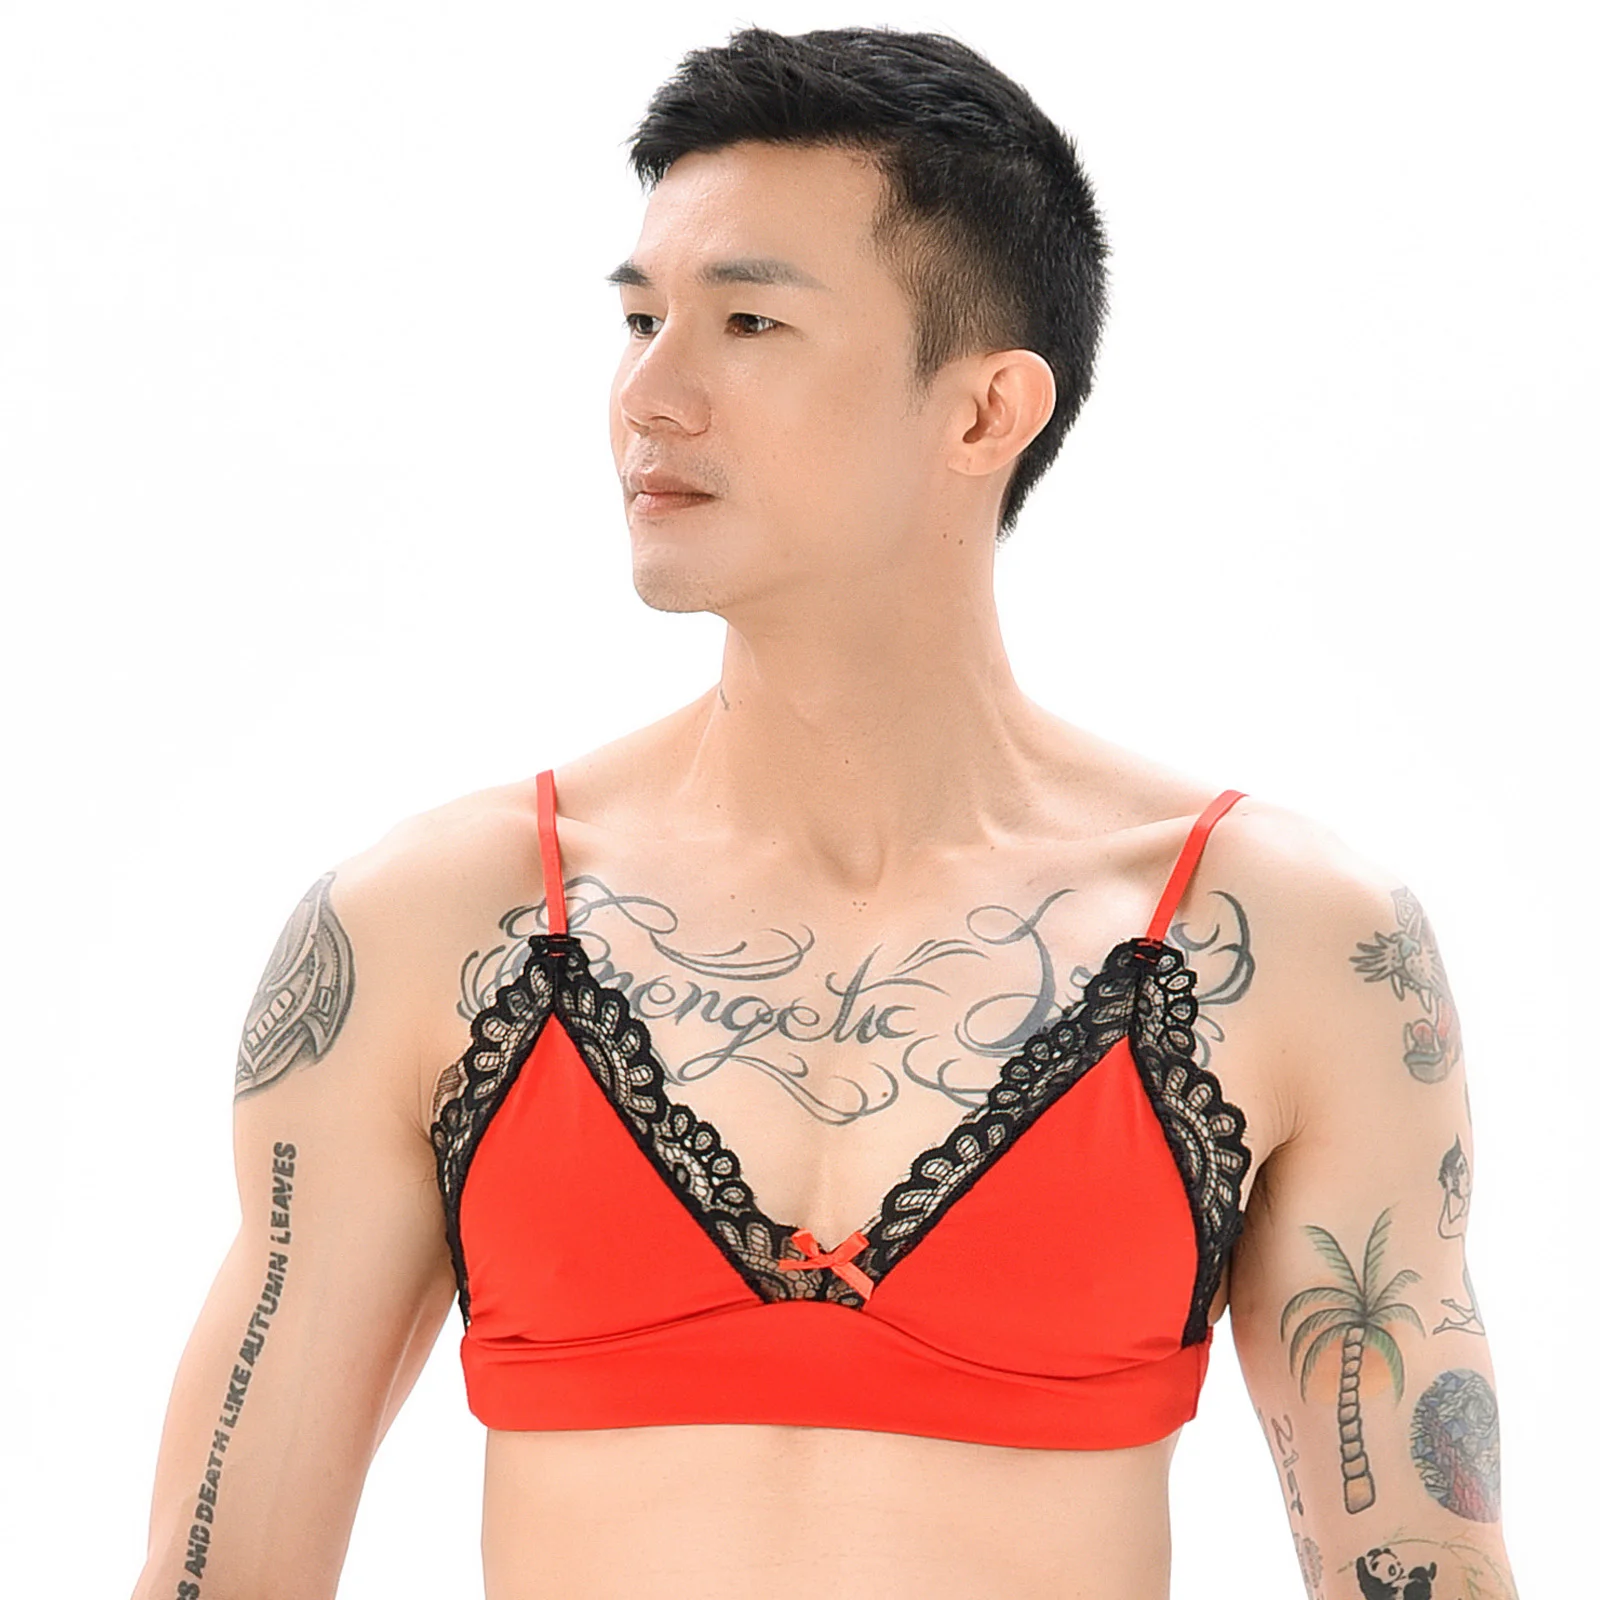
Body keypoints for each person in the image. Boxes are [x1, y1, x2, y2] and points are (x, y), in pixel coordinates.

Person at [129, 25, 1520, 1600]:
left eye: (749, 322)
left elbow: (1423, 1563)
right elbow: (218, 1576)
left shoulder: (1293, 942)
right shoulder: (427, 929)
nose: (650, 395)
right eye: (640, 319)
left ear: (985, 412)